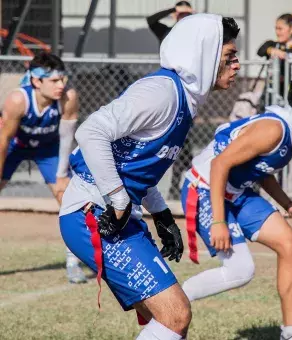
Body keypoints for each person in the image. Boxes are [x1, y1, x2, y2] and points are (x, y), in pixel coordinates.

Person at [59, 14, 240, 340]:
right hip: (93, 213)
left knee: (165, 319)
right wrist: (117, 198)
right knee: (175, 315)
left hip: (117, 212)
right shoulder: (162, 92)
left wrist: (160, 213)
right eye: (229, 56)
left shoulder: (184, 98)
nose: (237, 64)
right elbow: (91, 131)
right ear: (204, 54)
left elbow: (136, 161)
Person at [181, 73, 292, 340]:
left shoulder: (290, 133)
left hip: (236, 192)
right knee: (240, 271)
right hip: (205, 190)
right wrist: (219, 221)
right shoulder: (274, 130)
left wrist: (289, 206)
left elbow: (261, 171)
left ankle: (291, 333)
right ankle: (169, 303)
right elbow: (219, 165)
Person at [0, 52, 87, 284]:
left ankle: (73, 263)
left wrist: (60, 175)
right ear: (36, 81)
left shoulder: (68, 98)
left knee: (69, 199)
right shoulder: (18, 100)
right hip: (16, 146)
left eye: (62, 79)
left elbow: (67, 137)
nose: (61, 85)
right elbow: (3, 140)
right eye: (54, 81)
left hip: (49, 149)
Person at [147, 1, 194, 200]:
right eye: (180, 14)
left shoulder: (195, 34)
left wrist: (192, 16)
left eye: (186, 15)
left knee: (183, 139)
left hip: (188, 90)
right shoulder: (167, 32)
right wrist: (173, 11)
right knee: (164, 137)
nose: (183, 18)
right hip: (168, 87)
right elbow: (151, 20)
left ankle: (178, 184)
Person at [258, 13, 292, 99]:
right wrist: (272, 50)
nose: (277, 32)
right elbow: (260, 50)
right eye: (276, 28)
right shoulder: (273, 45)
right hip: (271, 94)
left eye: (280, 29)